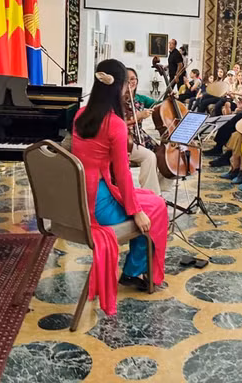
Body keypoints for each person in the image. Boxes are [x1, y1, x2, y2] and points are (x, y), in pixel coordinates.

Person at [71, 59, 168, 314]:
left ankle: (135, 269)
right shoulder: (115, 123)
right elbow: (123, 175)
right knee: (156, 207)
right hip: (98, 204)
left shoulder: (80, 114)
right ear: (120, 87)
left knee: (150, 199)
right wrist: (136, 211)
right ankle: (134, 271)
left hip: (79, 197)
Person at [125, 68, 171, 196]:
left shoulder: (140, 98)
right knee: (149, 157)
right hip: (126, 138)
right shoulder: (117, 99)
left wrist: (169, 99)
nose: (130, 82)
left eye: (133, 79)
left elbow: (159, 103)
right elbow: (116, 122)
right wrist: (138, 116)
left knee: (165, 155)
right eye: (126, 79)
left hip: (140, 135)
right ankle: (150, 194)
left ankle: (158, 188)